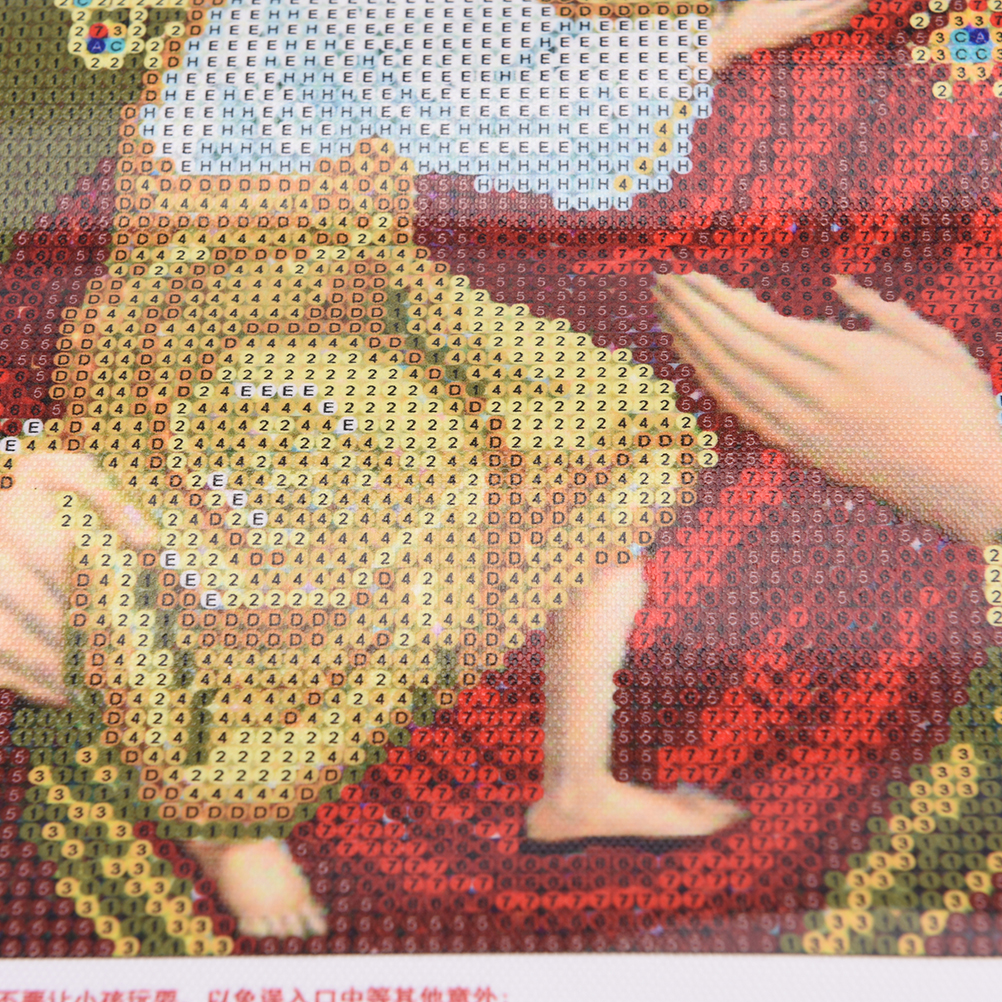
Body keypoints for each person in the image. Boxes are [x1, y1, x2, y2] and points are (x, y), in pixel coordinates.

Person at [0, 0, 874, 940]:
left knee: (612, 439)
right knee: (341, 514)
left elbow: (556, 137)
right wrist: (722, 40)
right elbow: (487, 100)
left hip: (357, 266)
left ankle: (577, 782)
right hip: (220, 293)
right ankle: (228, 812)